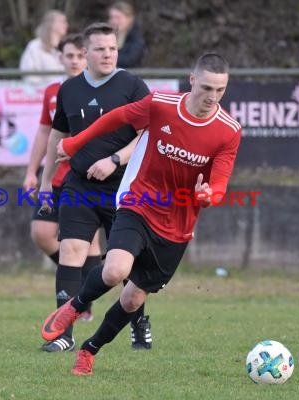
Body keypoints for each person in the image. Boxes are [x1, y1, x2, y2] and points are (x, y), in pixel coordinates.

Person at [41, 53, 242, 375]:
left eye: (220, 90)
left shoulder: (228, 130)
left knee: (133, 299)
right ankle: (74, 307)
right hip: (139, 202)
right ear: (192, 80)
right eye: (206, 87)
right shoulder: (161, 103)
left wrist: (209, 196)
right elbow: (116, 117)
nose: (212, 97)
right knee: (114, 271)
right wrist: (76, 142)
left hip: (177, 225)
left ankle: (90, 350)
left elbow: (219, 182)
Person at [38, 22, 153, 353]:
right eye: (100, 49)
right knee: (71, 250)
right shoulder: (69, 89)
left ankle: (139, 323)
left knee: (123, 264)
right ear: (85, 53)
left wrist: (115, 159)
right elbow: (58, 136)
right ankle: (64, 333)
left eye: (113, 48)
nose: (108, 54)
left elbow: (147, 134)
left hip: (124, 186)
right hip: (79, 186)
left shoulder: (132, 85)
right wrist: (47, 182)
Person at [23, 33, 102, 352]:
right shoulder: (54, 92)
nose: (74, 61)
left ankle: (78, 305)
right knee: (42, 233)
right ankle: (79, 286)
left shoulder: (97, 90)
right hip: (54, 178)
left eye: (79, 56)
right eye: (68, 56)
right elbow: (46, 132)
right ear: (60, 58)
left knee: (85, 242)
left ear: (88, 58)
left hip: (86, 179)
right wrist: (33, 171)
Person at [19, 10, 68, 85]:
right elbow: (28, 73)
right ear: (51, 24)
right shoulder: (35, 46)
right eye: (62, 21)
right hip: (41, 92)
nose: (66, 25)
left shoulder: (62, 49)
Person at [108, 1, 145, 68]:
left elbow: (130, 60)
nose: (114, 21)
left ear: (129, 19)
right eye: (112, 17)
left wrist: (104, 59)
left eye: (118, 18)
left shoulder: (136, 39)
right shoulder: (105, 37)